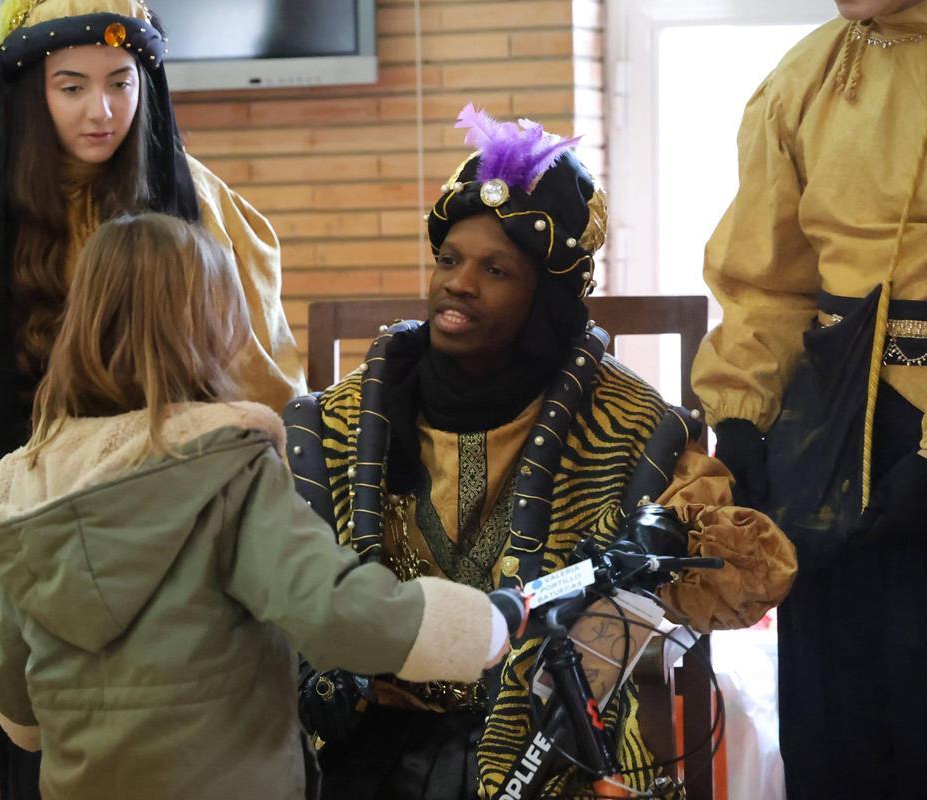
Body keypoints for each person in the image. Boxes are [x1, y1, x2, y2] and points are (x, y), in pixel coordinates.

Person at [285, 105, 798, 799]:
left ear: (551, 298)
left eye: (495, 269)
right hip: (360, 748)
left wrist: (674, 550)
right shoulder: (339, 421)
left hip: (554, 754)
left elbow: (736, 577)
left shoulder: (633, 424)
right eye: (448, 259)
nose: (457, 284)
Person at [0, 0, 305, 796]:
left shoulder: (202, 204)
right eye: (71, 87)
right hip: (38, 537)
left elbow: (260, 385)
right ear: (26, 92)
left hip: (185, 524)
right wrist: (7, 515)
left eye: (122, 83)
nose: (102, 111)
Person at [0, 211, 509, 800]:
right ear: (208, 325)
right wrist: (472, 627)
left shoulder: (38, 487)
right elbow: (328, 607)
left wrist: (30, 721)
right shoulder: (225, 467)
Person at [690, 1, 927, 797]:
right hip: (832, 434)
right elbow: (766, 280)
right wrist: (743, 417)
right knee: (835, 730)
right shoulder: (805, 78)